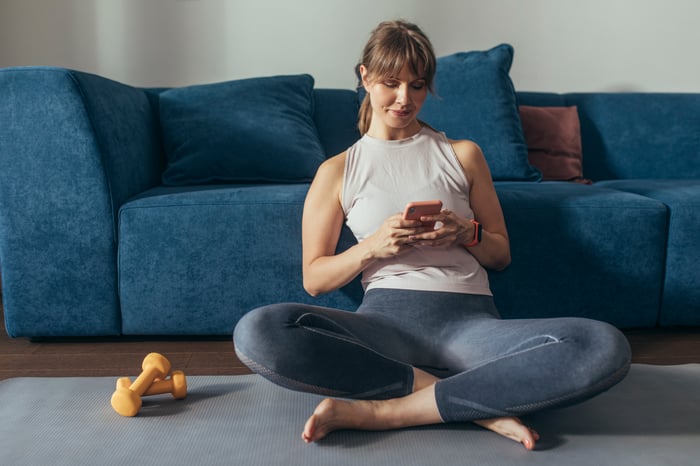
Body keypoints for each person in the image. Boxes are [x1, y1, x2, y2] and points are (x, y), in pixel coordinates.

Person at [233, 19, 631, 451]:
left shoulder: (463, 155)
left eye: (417, 85)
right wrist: (373, 247)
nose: (405, 99)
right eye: (391, 83)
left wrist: (466, 232)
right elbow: (314, 278)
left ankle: (387, 411)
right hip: (383, 327)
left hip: (471, 326)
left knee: (602, 345)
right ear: (364, 76)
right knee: (258, 331)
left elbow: (500, 256)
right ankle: (472, 401)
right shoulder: (337, 172)